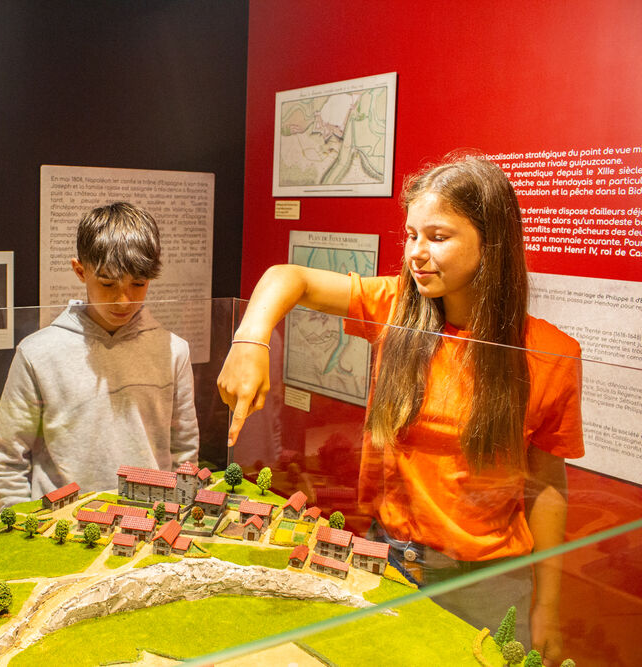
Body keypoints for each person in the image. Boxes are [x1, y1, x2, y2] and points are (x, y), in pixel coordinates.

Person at [217, 154, 582, 665]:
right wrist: (250, 339)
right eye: (411, 235)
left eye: (437, 236)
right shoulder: (396, 308)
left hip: (488, 581)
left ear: (490, 241)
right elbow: (287, 276)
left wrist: (548, 604)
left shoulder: (548, 352)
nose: (416, 253)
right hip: (389, 557)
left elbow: (545, 485)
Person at [0, 202, 200, 508]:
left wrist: (177, 507)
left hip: (150, 519)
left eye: (138, 284)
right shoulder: (37, 353)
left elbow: (184, 448)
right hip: (60, 527)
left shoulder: (174, 350)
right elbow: (8, 456)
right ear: (79, 270)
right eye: (108, 283)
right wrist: (25, 526)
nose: (124, 300)